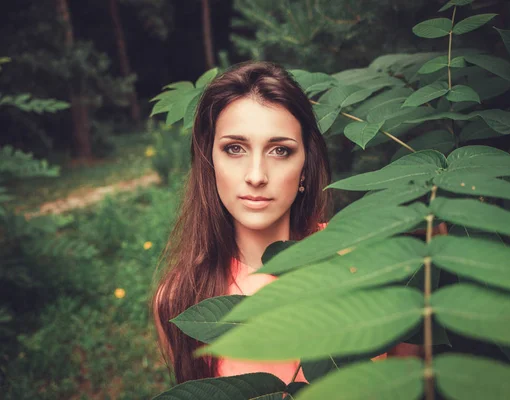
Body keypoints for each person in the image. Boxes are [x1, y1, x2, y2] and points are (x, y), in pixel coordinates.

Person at [150, 60, 422, 386]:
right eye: (234, 148)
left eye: (279, 150)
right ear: (210, 162)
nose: (256, 176)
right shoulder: (180, 298)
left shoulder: (367, 265)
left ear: (305, 167)